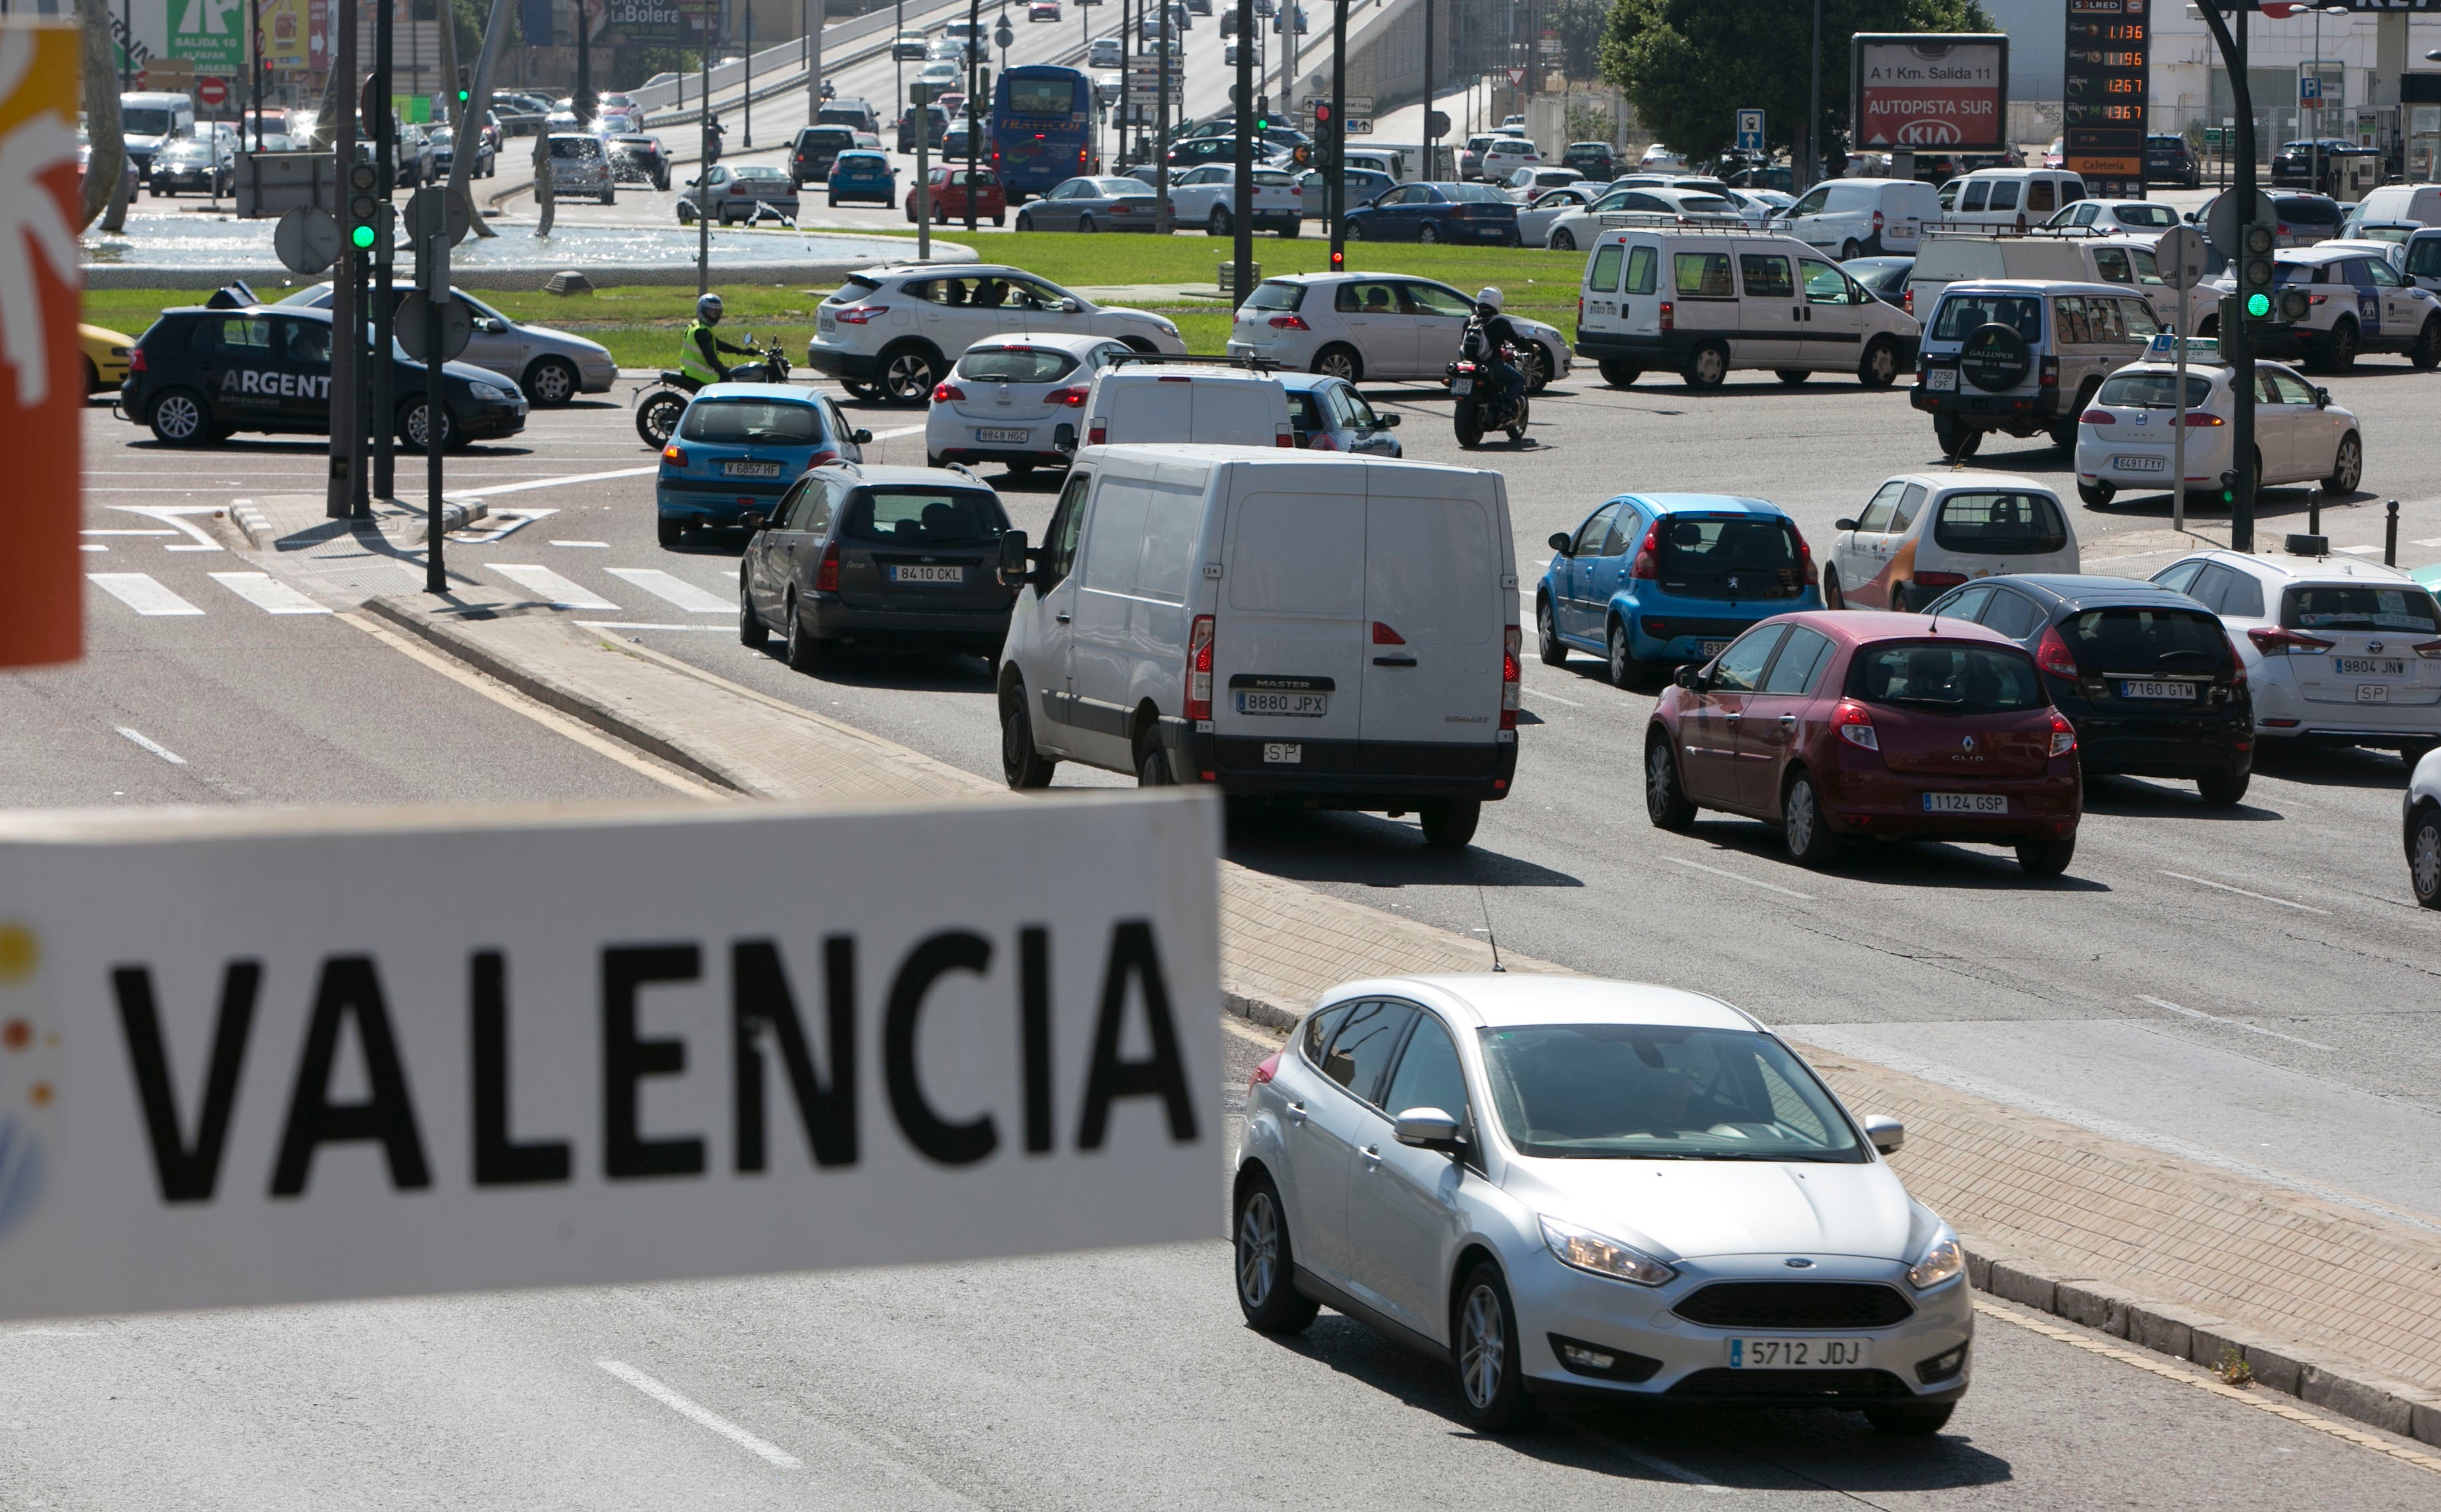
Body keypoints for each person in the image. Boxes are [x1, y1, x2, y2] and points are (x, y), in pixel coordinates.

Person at [679, 294, 758, 388]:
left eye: (717, 313)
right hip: (701, 374)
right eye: (711, 312)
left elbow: (718, 344)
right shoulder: (701, 332)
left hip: (691, 371)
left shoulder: (697, 325)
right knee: (733, 386)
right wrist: (726, 374)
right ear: (702, 310)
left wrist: (742, 351)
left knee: (733, 374)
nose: (714, 316)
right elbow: (711, 358)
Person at [1472, 286, 1529, 414]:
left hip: (1470, 363)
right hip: (1492, 363)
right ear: (1497, 303)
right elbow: (1516, 340)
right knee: (1518, 380)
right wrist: (1530, 346)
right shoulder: (1500, 323)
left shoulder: (1470, 321)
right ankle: (1507, 405)